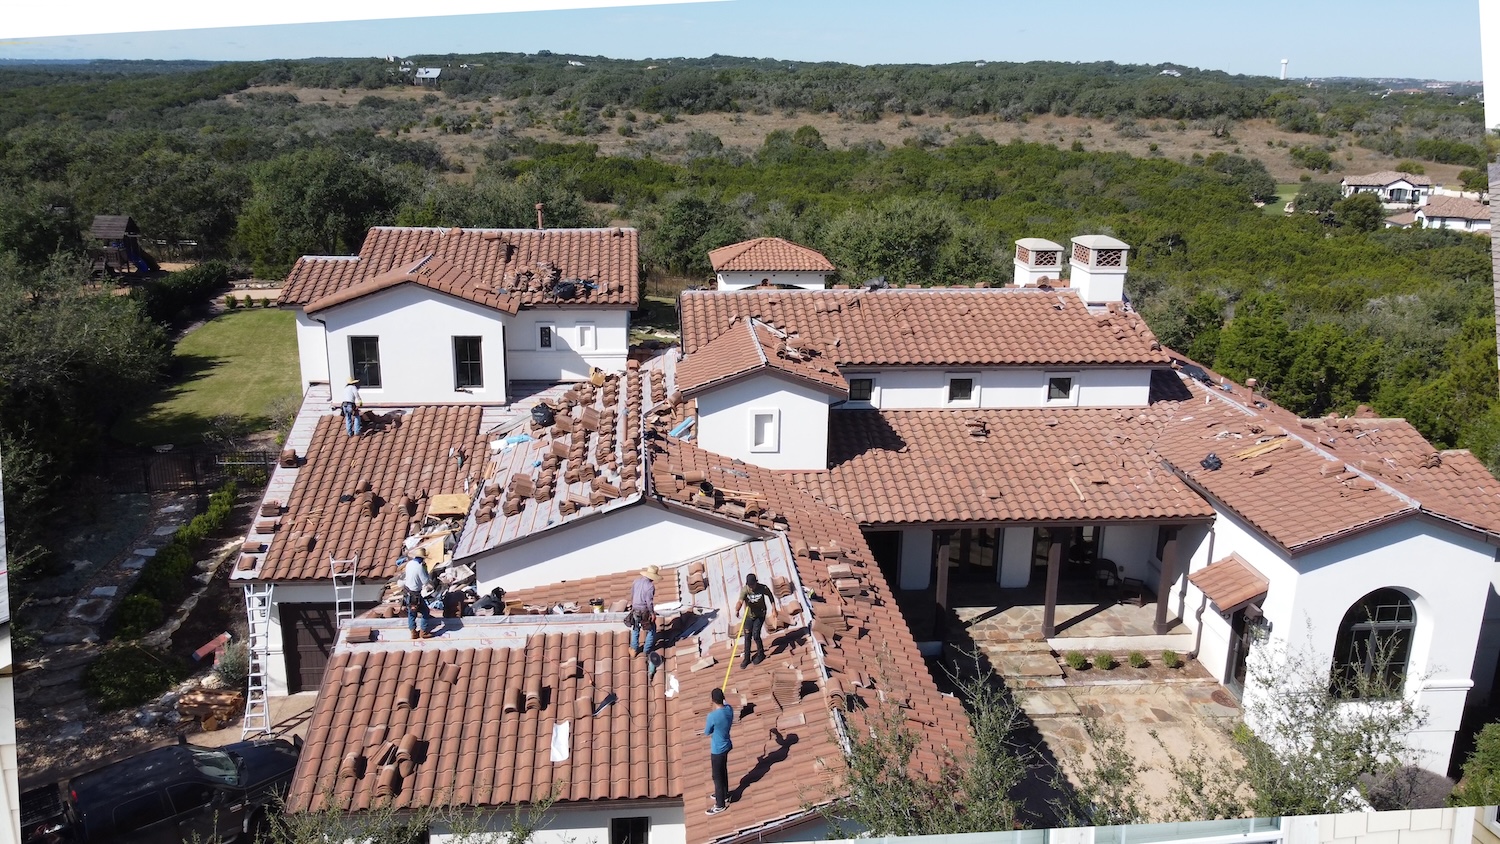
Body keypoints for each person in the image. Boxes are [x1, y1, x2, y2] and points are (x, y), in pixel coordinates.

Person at [704, 687, 733, 815]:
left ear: (713, 700)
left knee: (717, 776)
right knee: (723, 771)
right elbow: (725, 705)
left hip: (717, 749)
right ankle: (724, 794)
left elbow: (707, 732)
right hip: (726, 745)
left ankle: (720, 804)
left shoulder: (712, 716)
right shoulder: (729, 710)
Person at [734, 573, 774, 668]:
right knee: (747, 636)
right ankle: (746, 658)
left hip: (760, 614)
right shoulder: (745, 590)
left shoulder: (762, 588)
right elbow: (740, 601)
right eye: (749, 585)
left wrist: (774, 608)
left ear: (756, 583)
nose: (751, 587)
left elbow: (770, 596)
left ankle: (761, 654)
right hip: (749, 615)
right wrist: (737, 609)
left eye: (752, 585)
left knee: (756, 635)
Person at [402, 554, 436, 639]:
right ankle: (423, 632)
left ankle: (413, 632)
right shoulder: (419, 567)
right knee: (425, 611)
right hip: (415, 594)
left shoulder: (409, 564)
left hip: (407, 591)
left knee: (412, 613)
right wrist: (425, 570)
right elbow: (425, 581)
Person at [629, 565, 659, 656]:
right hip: (644, 611)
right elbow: (649, 602)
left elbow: (632, 595)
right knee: (651, 629)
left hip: (635, 609)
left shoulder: (636, 581)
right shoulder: (650, 586)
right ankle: (647, 650)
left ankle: (634, 649)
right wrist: (652, 613)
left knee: (636, 628)